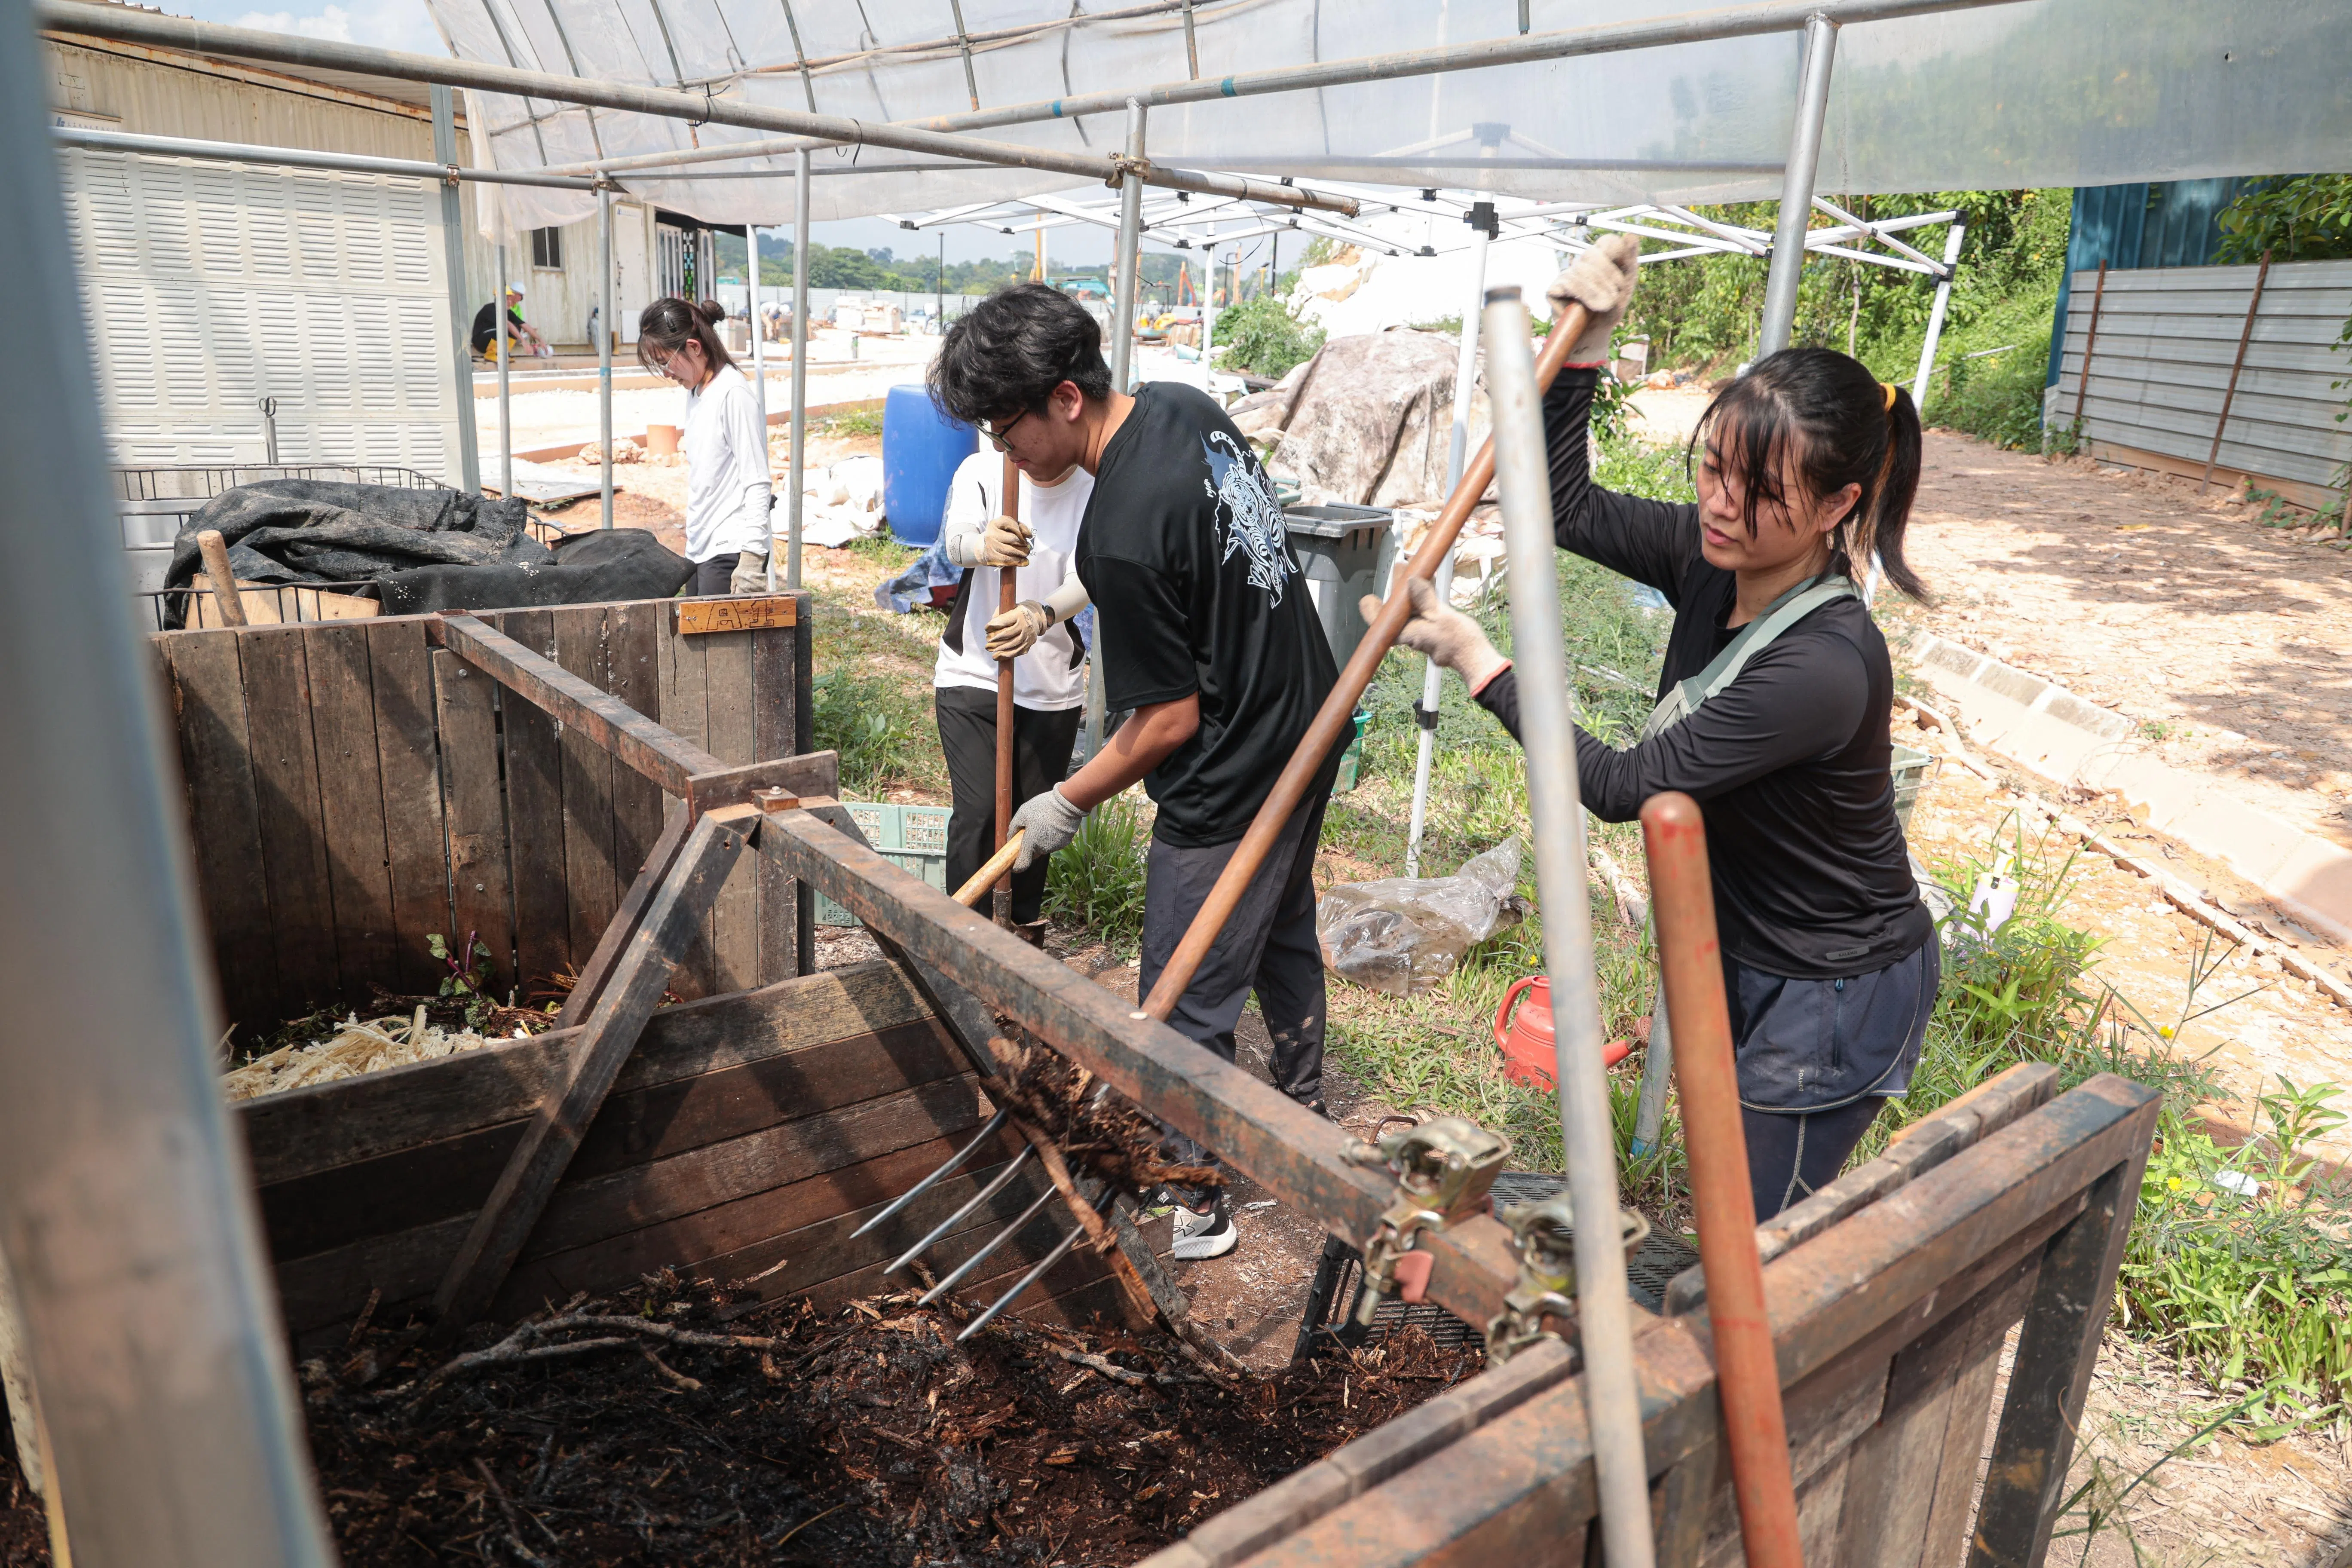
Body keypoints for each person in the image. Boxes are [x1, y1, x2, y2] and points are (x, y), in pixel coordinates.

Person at [1384, 235, 1938, 1223]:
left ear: (1838, 506)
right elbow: (1564, 507)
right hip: (1752, 944)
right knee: (1730, 1205)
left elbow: (1619, 787)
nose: (1721, 505)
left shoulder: (1820, 666)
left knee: (1756, 1234)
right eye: (1713, 469)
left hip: (1834, 986)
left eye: (1759, 493)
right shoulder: (1711, 554)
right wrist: (1586, 348)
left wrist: (1480, 663)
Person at [928, 282, 1345, 1262]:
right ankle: (1307, 1113)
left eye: (1009, 430)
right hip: (1308, 715)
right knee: (1281, 926)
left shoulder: (1116, 529)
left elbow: (1165, 720)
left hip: (1231, 767)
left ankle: (1194, 1196)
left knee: (1183, 991)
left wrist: (1064, 799)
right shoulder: (1186, 408)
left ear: (1065, 397)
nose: (1007, 457)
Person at [932, 447, 1094, 947]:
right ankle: (963, 940)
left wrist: (1040, 615)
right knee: (980, 812)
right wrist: (983, 545)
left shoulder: (1094, 486)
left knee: (1032, 824)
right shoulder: (985, 469)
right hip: (974, 672)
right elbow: (955, 542)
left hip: (1051, 687)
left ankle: (1018, 939)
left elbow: (1089, 576)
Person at [638, 297, 772, 595]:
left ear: (694, 347)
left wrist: (752, 559)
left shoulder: (733, 393)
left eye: (665, 362)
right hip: (700, 545)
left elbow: (757, 481)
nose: (667, 374)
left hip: (729, 548)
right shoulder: (697, 390)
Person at [471, 285, 550, 359]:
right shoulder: (489, 309)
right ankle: (493, 354)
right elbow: (507, 324)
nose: (510, 302)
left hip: (490, 338)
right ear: (499, 299)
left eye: (511, 299)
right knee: (506, 328)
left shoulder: (507, 311)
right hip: (480, 342)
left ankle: (503, 353)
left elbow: (524, 325)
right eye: (507, 299)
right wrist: (523, 340)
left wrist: (540, 339)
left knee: (517, 327)